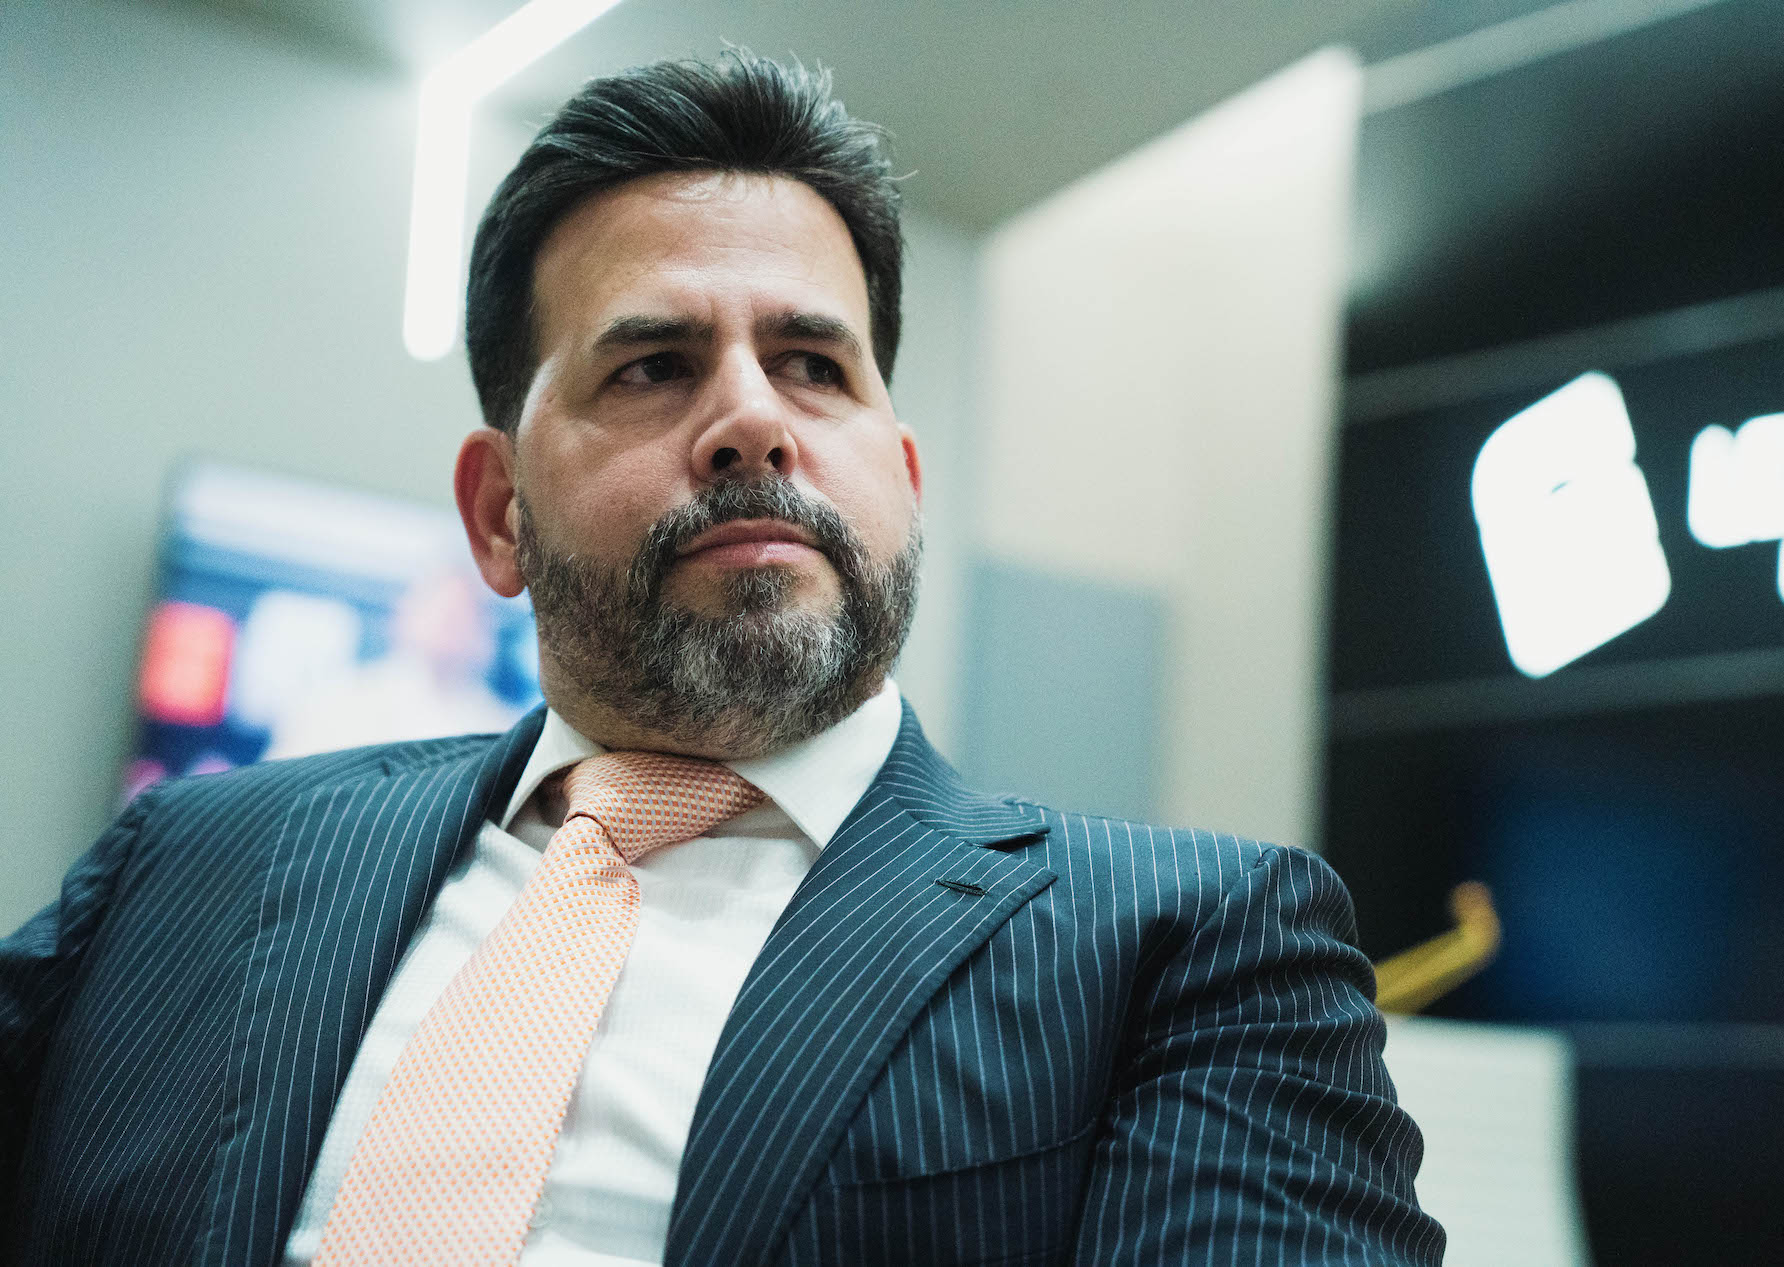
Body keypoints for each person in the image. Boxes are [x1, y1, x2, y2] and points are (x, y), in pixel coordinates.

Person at [0, 52, 1446, 1266]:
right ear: (499, 515)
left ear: (903, 480)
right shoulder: (186, 865)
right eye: (653, 367)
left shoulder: (1186, 949)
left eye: (816, 365)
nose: (754, 420)